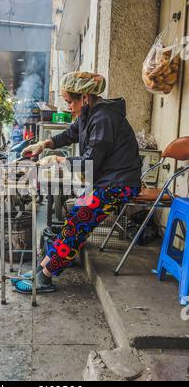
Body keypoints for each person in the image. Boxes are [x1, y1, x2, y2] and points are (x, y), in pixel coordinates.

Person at [13, 72, 142, 294]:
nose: (69, 108)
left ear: (84, 97)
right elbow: (70, 134)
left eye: (69, 102)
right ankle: (42, 267)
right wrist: (44, 144)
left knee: (76, 221)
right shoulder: (89, 114)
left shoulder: (104, 118)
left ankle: (44, 278)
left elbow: (89, 162)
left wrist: (57, 159)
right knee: (74, 219)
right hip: (105, 182)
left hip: (119, 184)